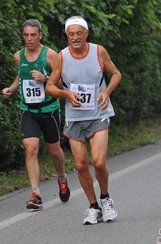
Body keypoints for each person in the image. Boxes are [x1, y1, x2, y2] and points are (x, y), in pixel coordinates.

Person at [45, 16, 122, 225]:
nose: (75, 37)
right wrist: (67, 95)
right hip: (75, 118)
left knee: (98, 162)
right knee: (80, 165)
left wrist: (106, 91)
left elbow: (116, 74)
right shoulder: (61, 57)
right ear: (67, 36)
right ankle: (93, 207)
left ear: (86, 34)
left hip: (99, 114)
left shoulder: (99, 52)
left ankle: (106, 199)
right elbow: (50, 86)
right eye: (71, 34)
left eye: (79, 33)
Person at [2, 19, 70, 210]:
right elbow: (20, 75)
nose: (29, 39)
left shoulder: (50, 55)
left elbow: (64, 84)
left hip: (49, 110)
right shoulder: (18, 56)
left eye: (33, 35)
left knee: (54, 150)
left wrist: (45, 78)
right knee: (30, 149)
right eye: (26, 35)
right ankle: (35, 193)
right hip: (28, 110)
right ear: (22, 36)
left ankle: (62, 179)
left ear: (40, 35)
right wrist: (11, 88)